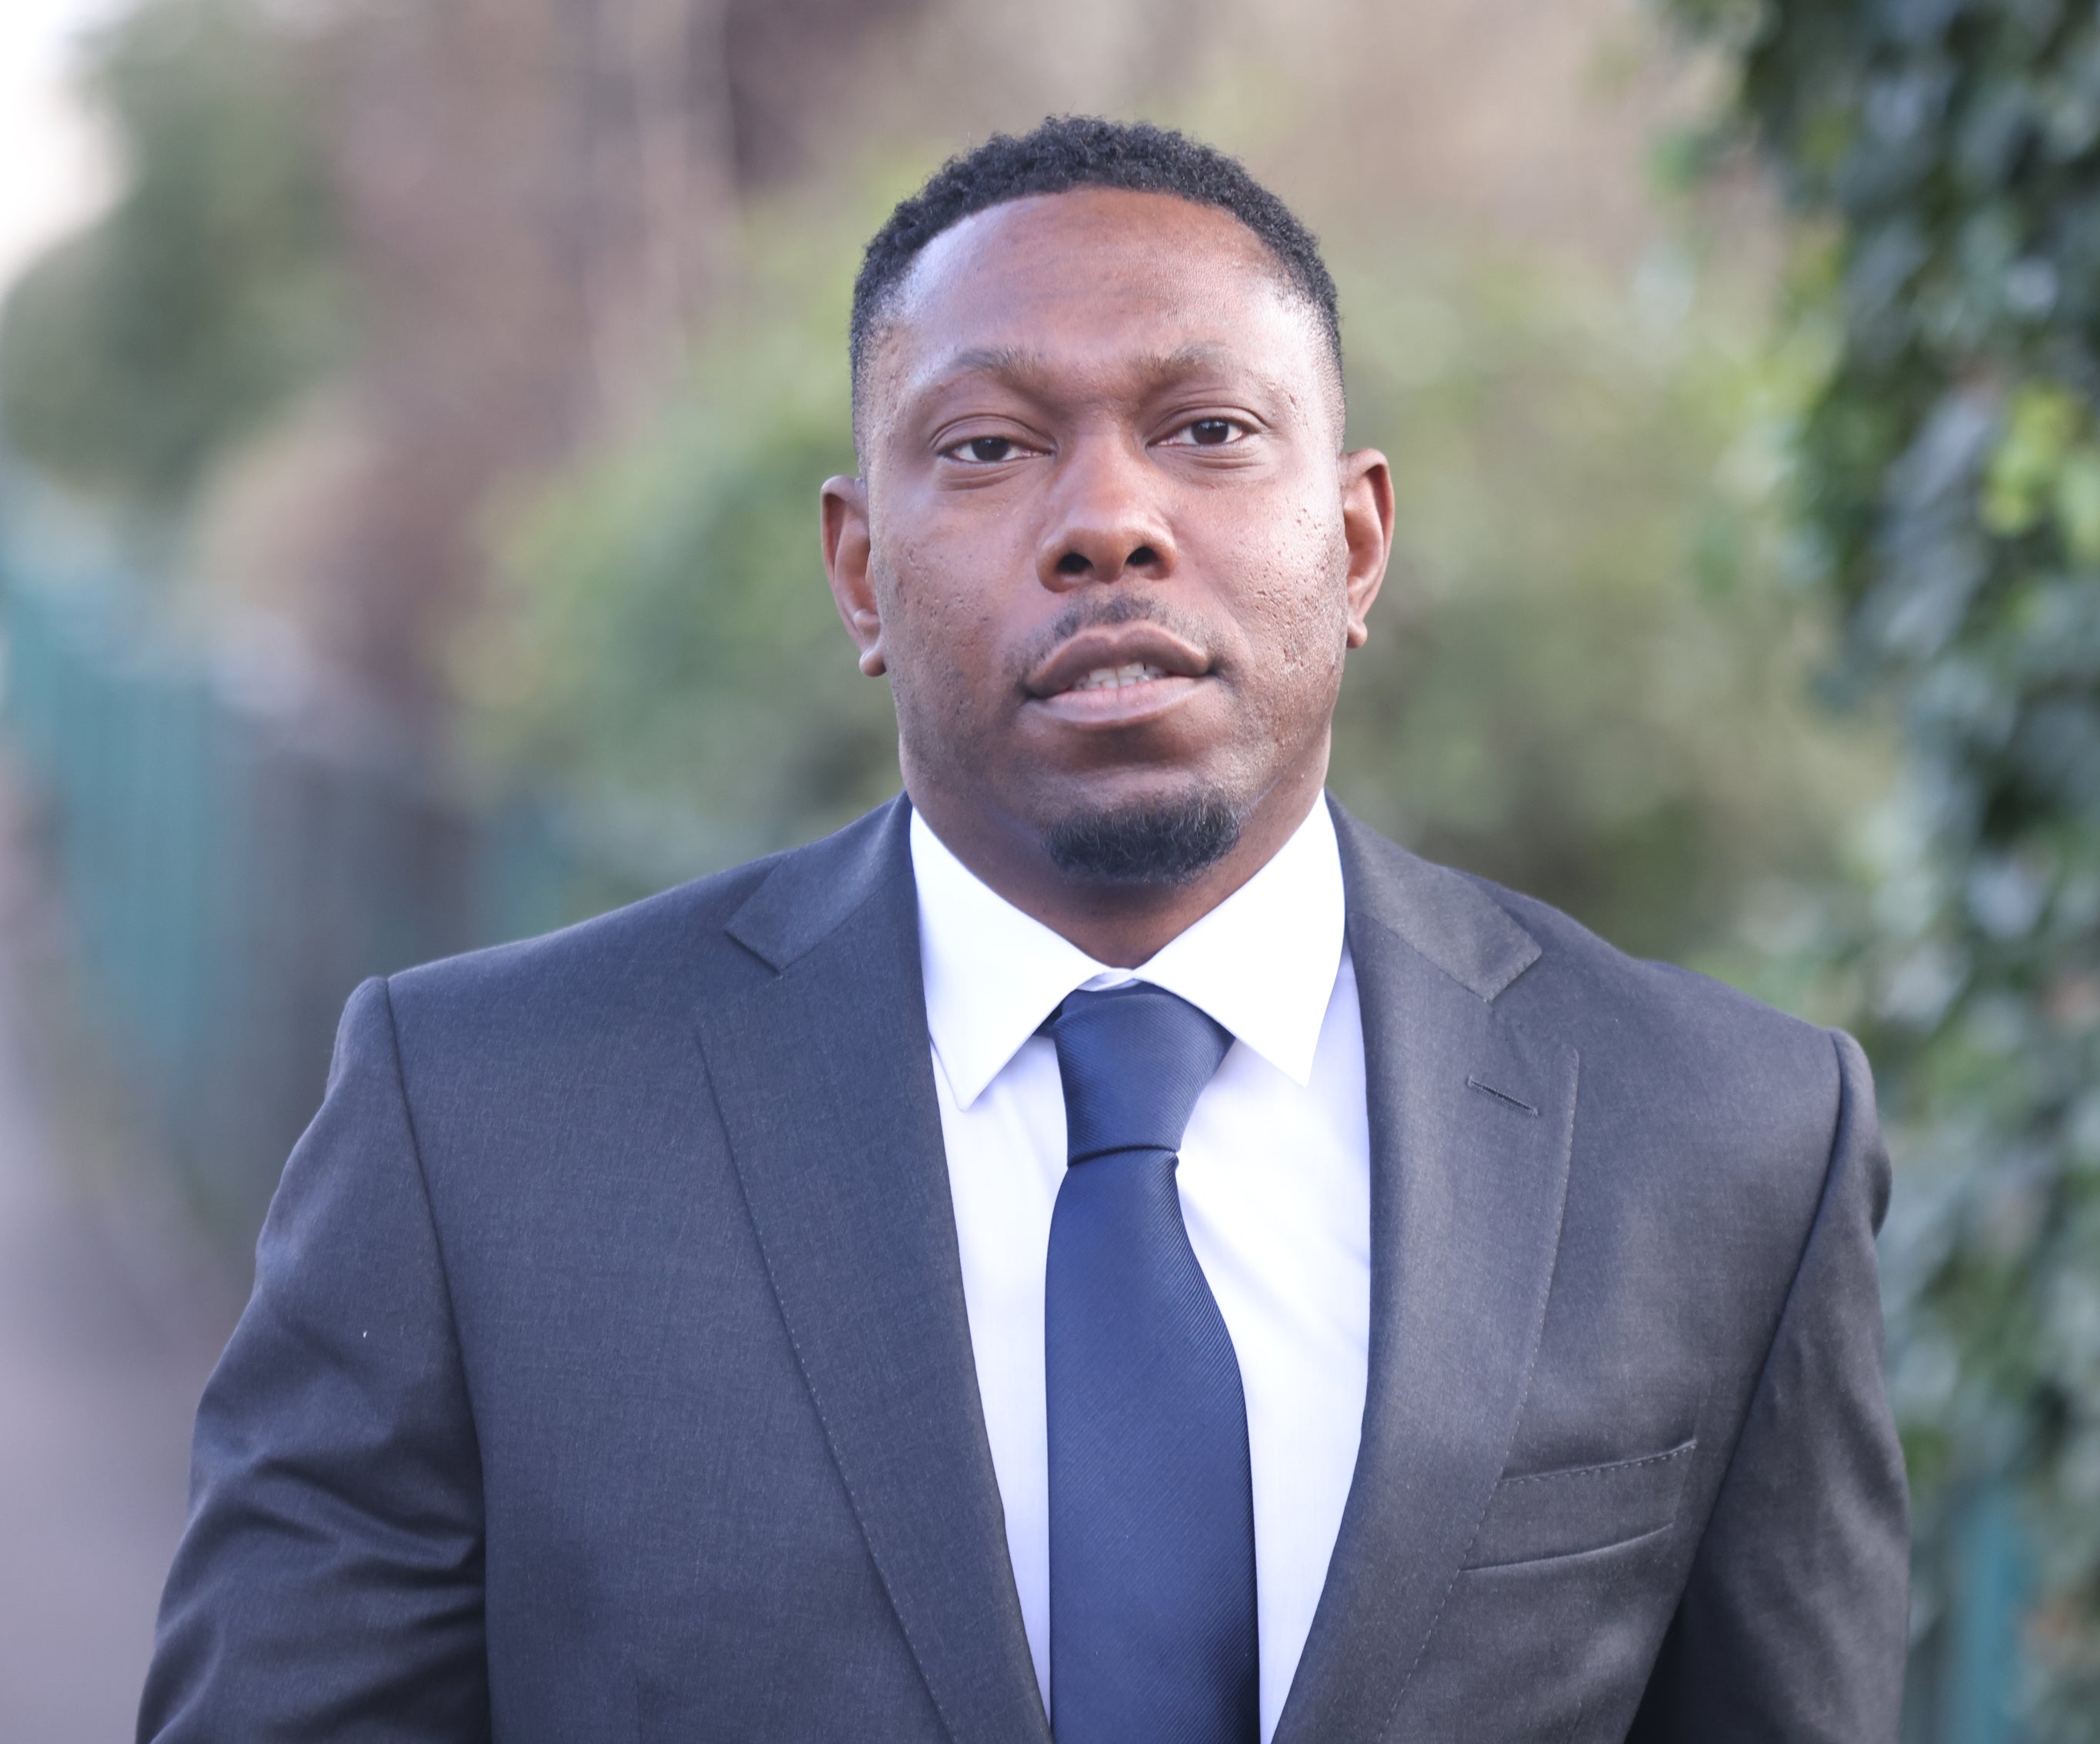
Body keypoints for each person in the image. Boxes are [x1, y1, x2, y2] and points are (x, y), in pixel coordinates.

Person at [139, 115, 1908, 1743]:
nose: (1111, 524)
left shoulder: (1725, 1144)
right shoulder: (485, 1128)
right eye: (989, 447)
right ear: (860, 573)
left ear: (1356, 546)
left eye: (1209, 432)